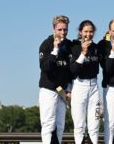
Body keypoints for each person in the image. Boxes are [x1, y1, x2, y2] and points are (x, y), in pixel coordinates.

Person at [38, 15, 72, 144]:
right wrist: (55, 49)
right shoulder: (46, 45)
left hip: (62, 91)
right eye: (60, 30)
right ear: (53, 29)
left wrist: (69, 89)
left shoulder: (69, 45)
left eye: (65, 30)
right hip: (49, 89)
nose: (63, 33)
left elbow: (70, 71)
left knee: (60, 125)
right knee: (48, 124)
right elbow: (45, 67)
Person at [70, 20, 101, 144]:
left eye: (91, 31)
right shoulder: (74, 47)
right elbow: (73, 70)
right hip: (79, 86)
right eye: (86, 31)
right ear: (80, 32)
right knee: (79, 125)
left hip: (94, 86)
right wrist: (83, 53)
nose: (88, 34)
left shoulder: (97, 47)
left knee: (95, 124)